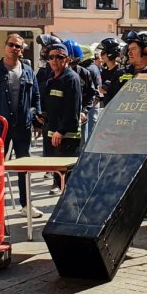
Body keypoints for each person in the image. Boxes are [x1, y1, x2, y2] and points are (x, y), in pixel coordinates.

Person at [0, 33, 41, 216]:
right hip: (0, 127)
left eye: (18, 46)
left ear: (22, 50)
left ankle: (26, 205)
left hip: (22, 126)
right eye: (11, 45)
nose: (15, 48)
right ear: (5, 47)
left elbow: (36, 97)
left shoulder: (27, 71)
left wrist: (36, 119)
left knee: (24, 167)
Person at [38, 43, 83, 192]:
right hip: (53, 135)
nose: (54, 60)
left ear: (67, 59)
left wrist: (61, 131)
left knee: (69, 177)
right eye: (51, 57)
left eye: (59, 57)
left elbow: (72, 109)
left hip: (66, 137)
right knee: (58, 174)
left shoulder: (71, 79)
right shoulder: (51, 78)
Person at [97, 37, 124, 106]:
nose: (101, 55)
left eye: (103, 53)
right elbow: (102, 94)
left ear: (111, 53)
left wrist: (108, 91)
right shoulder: (104, 72)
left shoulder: (121, 72)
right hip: (106, 107)